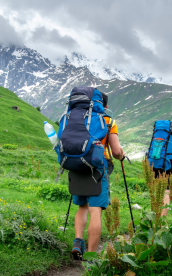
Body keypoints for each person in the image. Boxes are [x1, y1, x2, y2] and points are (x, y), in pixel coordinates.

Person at [71, 92, 124, 260]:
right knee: (96, 211)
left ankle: (78, 241)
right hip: (98, 168)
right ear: (104, 106)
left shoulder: (75, 118)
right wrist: (121, 155)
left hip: (77, 165)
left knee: (82, 207)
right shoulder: (108, 121)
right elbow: (115, 152)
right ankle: (91, 256)